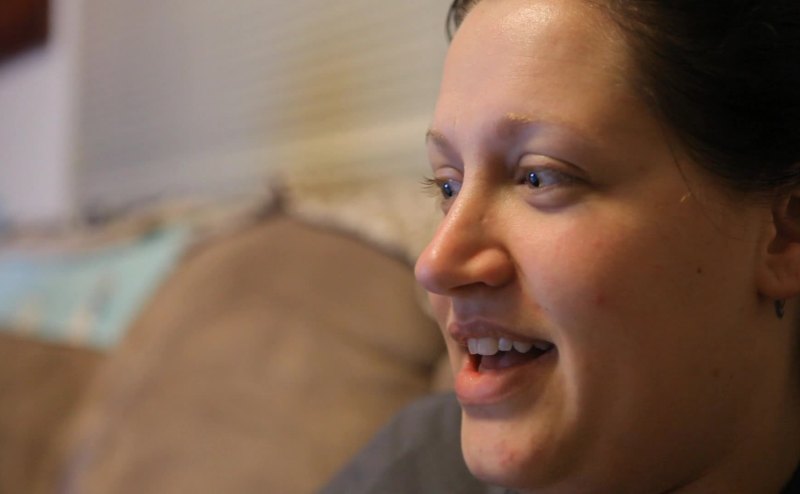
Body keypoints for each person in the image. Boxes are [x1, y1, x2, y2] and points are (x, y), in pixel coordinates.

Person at [322, 0, 800, 492]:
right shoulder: (410, 467)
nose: (435, 264)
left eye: (539, 176)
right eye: (448, 186)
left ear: (785, 233)